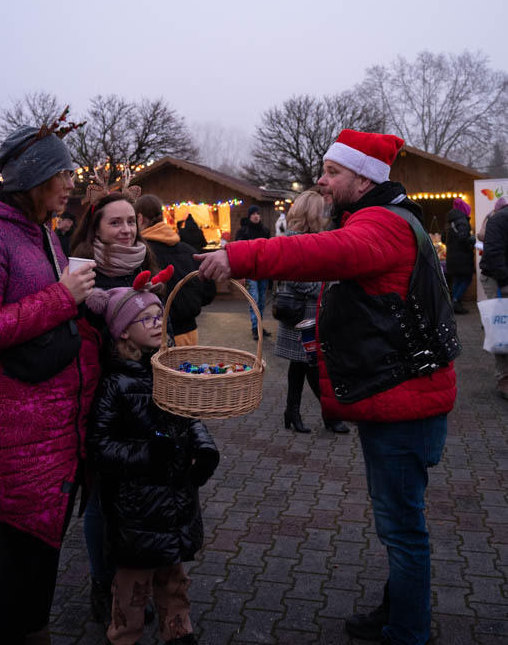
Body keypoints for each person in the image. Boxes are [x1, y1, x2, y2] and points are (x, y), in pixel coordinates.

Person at [195, 128, 459, 645]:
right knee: (401, 524)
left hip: (404, 403)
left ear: (363, 178)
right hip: (402, 397)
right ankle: (397, 612)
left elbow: (319, 253)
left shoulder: (380, 225)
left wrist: (241, 256)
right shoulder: (387, 217)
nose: (322, 179)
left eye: (333, 172)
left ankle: (408, 631)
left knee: (403, 530)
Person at [0, 122, 100, 645]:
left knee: (44, 556)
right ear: (33, 177)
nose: (72, 182)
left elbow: (57, 318)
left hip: (57, 428)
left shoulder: (43, 231)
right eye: (63, 172)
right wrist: (63, 297)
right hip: (15, 429)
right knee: (21, 561)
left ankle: (37, 634)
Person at [86, 270, 219, 645]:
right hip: (136, 512)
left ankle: (179, 634)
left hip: (175, 501)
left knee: (175, 582)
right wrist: (147, 453)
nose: (158, 323)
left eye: (160, 316)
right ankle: (124, 636)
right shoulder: (115, 385)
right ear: (123, 331)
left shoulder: (169, 369)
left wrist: (204, 447)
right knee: (131, 591)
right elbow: (100, 447)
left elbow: (188, 416)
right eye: (147, 319)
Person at [71, 191, 157, 626]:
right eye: (115, 223)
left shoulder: (150, 262)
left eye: (130, 222)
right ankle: (102, 581)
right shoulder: (84, 273)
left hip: (150, 394)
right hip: (103, 398)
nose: (126, 230)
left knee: (146, 495)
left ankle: (140, 580)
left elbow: (173, 314)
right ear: (96, 228)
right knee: (103, 499)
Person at [275, 190, 349, 435]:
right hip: (301, 312)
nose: (325, 215)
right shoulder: (294, 239)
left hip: (306, 311)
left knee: (300, 364)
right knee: (313, 365)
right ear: (311, 213)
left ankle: (291, 412)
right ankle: (331, 415)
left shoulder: (310, 237)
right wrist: (322, 285)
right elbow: (291, 275)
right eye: (320, 211)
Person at [135, 194, 216, 346]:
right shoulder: (188, 251)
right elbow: (208, 291)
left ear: (139, 218)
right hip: (190, 334)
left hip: (156, 337)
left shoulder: (140, 254)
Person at [479, 197, 508, 400]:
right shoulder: (499, 221)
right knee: (502, 329)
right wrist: (505, 281)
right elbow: (494, 252)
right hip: (498, 279)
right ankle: (504, 378)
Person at [235, 204, 272, 340]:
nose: (256, 216)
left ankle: (259, 327)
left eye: (258, 213)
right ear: (249, 216)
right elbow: (238, 254)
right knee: (254, 300)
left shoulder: (265, 230)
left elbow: (270, 251)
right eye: (253, 214)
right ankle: (255, 328)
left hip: (263, 271)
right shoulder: (243, 232)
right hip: (250, 272)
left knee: (262, 300)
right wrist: (240, 273)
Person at [442, 197, 475, 314]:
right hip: (463, 257)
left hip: (451, 256)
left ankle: (454, 302)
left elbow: (443, 238)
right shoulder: (462, 221)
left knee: (457, 280)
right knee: (466, 279)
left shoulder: (449, 221)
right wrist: (472, 240)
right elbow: (463, 239)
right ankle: (455, 301)